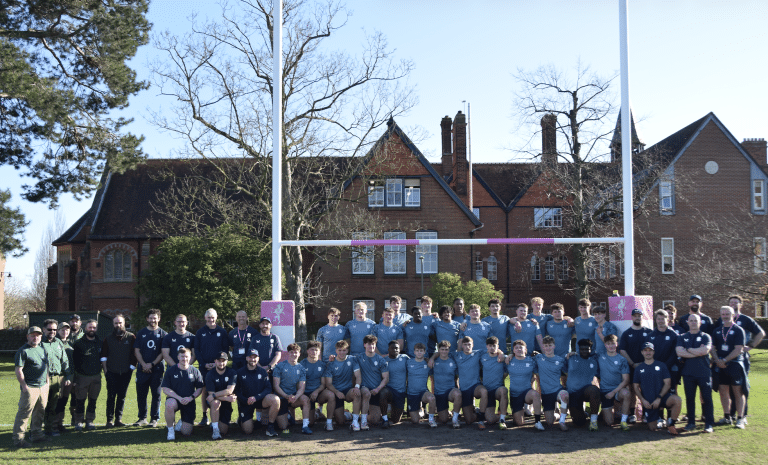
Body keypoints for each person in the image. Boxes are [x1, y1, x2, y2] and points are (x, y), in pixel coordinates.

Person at [719, 295, 764, 423]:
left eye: (736, 302)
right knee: (727, 388)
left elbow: (761, 333)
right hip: (725, 359)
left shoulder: (745, 319)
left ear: (741, 305)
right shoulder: (722, 319)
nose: (733, 304)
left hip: (740, 359)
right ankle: (730, 415)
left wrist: (750, 346)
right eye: (731, 302)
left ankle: (742, 416)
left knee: (740, 387)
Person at [675, 313, 715, 433]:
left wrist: (688, 349)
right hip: (688, 373)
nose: (693, 323)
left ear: (700, 323)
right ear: (687, 322)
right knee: (690, 399)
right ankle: (691, 423)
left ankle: (709, 424)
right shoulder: (682, 337)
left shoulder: (706, 336)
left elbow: (705, 350)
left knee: (707, 398)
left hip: (704, 373)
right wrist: (697, 352)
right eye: (691, 321)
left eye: (695, 321)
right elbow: (679, 352)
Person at [634, 342, 682, 435]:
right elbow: (635, 387)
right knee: (653, 428)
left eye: (650, 350)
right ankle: (657, 419)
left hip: (662, 398)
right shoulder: (638, 368)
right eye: (645, 350)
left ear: (653, 352)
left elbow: (667, 383)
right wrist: (643, 400)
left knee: (677, 400)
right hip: (649, 402)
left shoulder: (661, 365)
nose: (648, 352)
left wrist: (659, 398)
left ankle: (671, 424)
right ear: (642, 352)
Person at [13, 326, 50, 447]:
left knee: (40, 412)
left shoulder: (41, 349)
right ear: (27, 337)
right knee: (24, 413)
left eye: (38, 335)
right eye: (33, 335)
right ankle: (18, 439)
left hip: (43, 387)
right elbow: (19, 370)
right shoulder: (23, 351)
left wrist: (47, 383)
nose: (35, 338)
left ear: (41, 337)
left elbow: (46, 367)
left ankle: (37, 435)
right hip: (30, 387)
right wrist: (24, 386)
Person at [711, 306, 747, 429]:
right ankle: (727, 417)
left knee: (738, 392)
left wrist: (725, 360)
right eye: (723, 314)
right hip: (720, 365)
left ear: (733, 315)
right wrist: (717, 360)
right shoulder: (717, 330)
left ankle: (740, 419)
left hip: (734, 364)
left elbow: (738, 349)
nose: (725, 316)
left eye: (727, 314)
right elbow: (712, 348)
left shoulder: (738, 330)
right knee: (723, 391)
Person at [195, 308, 230, 427]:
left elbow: (225, 349)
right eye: (209, 317)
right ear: (205, 318)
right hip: (204, 367)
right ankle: (205, 416)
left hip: (219, 366)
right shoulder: (200, 332)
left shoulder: (222, 331)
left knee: (219, 390)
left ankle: (218, 416)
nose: (211, 319)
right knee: (205, 390)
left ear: (216, 317)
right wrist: (203, 363)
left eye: (213, 317)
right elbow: (197, 350)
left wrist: (217, 363)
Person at [101, 313, 137, 428]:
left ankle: (118, 420)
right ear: (113, 324)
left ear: (124, 323)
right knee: (111, 396)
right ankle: (109, 420)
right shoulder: (108, 338)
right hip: (111, 372)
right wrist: (106, 371)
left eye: (120, 323)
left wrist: (131, 369)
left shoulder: (131, 337)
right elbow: (104, 356)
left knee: (122, 396)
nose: (118, 325)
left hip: (126, 372)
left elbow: (134, 354)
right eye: (116, 323)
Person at [133, 308, 167, 427]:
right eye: (151, 318)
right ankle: (142, 418)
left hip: (157, 369)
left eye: (155, 318)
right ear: (147, 319)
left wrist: (151, 364)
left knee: (156, 394)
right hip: (142, 369)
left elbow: (163, 353)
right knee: (141, 395)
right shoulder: (141, 333)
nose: (153, 320)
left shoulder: (163, 334)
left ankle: (154, 418)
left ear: (159, 319)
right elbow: (136, 350)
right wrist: (143, 364)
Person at [162, 348, 204, 440]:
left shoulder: (195, 371)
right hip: (175, 399)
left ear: (190, 357)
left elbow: (200, 388)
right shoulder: (170, 370)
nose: (184, 359)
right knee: (169, 404)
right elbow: (165, 389)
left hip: (189, 401)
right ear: (178, 357)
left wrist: (191, 397)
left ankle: (181, 422)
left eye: (186, 356)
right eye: (182, 356)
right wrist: (179, 398)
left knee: (186, 433)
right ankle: (170, 430)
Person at [236, 349, 280, 437]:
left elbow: (268, 388)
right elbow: (236, 391)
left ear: (258, 358)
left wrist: (256, 397)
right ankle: (242, 419)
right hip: (246, 402)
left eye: (255, 357)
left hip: (260, 400)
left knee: (275, 399)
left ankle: (270, 427)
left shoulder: (263, 371)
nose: (253, 359)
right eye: (250, 357)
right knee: (248, 431)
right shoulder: (239, 372)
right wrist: (245, 400)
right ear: (246, 358)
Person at [323, 340, 363, 431]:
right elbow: (328, 384)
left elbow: (358, 376)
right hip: (336, 391)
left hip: (347, 390)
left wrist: (357, 387)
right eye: (339, 350)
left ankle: (355, 422)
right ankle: (347, 414)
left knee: (356, 393)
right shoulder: (331, 364)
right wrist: (337, 392)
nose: (342, 352)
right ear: (336, 351)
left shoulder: (352, 359)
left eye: (344, 350)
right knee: (340, 422)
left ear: (347, 350)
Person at [273, 343, 312, 434]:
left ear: (299, 354)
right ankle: (287, 416)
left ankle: (305, 426)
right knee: (283, 427)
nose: (294, 354)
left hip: (293, 398)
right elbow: (276, 386)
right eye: (291, 352)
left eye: (296, 352)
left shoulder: (301, 368)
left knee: (305, 399)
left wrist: (295, 396)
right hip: (281, 398)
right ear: (288, 353)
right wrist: (286, 396)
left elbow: (302, 388)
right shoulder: (280, 366)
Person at [41, 319, 71, 437]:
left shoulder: (58, 342)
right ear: (44, 330)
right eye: (50, 329)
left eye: (54, 329)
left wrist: (67, 375)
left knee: (53, 405)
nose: (52, 331)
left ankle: (49, 429)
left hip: (56, 378)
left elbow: (65, 360)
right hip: (42, 379)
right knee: (40, 406)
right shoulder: (39, 342)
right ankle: (35, 430)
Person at [618, 308, 649, 423]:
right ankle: (632, 414)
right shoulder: (627, 333)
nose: (637, 317)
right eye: (635, 316)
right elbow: (622, 350)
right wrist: (632, 363)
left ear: (642, 317)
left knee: (645, 390)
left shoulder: (649, 332)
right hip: (631, 366)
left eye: (639, 316)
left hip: (646, 366)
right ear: (632, 317)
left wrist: (644, 363)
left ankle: (646, 414)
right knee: (631, 390)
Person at [506, 339, 544, 430]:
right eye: (516, 348)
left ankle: (537, 422)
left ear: (525, 350)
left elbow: (538, 375)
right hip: (514, 394)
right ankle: (520, 411)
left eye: (521, 347)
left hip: (527, 392)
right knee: (519, 423)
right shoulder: (508, 361)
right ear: (513, 350)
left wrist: (539, 388)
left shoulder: (531, 361)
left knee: (535, 395)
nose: (519, 349)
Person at [564, 339, 601, 431]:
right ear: (578, 349)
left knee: (594, 390)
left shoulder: (594, 361)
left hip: (586, 391)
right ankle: (583, 413)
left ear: (590, 350)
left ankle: (593, 421)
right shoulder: (571, 358)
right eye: (582, 349)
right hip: (573, 393)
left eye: (587, 349)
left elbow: (600, 375)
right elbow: (561, 368)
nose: (584, 351)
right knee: (579, 422)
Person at [72, 319, 102, 431]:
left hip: (96, 377)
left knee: (93, 401)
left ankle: (90, 421)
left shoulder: (100, 343)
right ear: (85, 328)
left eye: (94, 327)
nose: (92, 329)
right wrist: (74, 378)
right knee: (80, 401)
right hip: (81, 377)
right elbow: (74, 362)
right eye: (90, 327)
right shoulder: (78, 344)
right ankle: (78, 421)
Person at [533, 336, 569, 431]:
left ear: (554, 346)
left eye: (550, 345)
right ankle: (557, 415)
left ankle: (562, 421)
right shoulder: (538, 358)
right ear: (543, 347)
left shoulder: (560, 360)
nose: (548, 348)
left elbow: (568, 373)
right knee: (549, 422)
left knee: (565, 395)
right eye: (546, 346)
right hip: (546, 393)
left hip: (557, 390)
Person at [596, 334, 631, 430]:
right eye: (608, 344)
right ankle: (606, 410)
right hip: (605, 391)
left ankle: (623, 421)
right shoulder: (600, 356)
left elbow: (626, 380)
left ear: (617, 344)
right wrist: (572, 353)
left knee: (626, 393)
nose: (611, 346)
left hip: (617, 391)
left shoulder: (622, 360)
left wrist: (614, 392)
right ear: (605, 345)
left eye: (613, 343)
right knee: (609, 422)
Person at [357, 335, 390, 429]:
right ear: (364, 345)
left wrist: (377, 389)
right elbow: (343, 358)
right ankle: (363, 421)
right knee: (366, 393)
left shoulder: (381, 360)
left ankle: (356, 415)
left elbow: (386, 378)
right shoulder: (358, 358)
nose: (371, 346)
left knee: (374, 420)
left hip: (375, 391)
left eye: (373, 344)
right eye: (369, 344)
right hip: (364, 389)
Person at [300, 341, 335, 429]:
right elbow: (299, 384)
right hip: (306, 394)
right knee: (310, 423)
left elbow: (323, 384)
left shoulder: (322, 365)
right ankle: (316, 413)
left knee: (331, 395)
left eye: (316, 350)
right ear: (307, 351)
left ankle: (329, 423)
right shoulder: (302, 364)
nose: (314, 352)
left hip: (318, 393)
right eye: (312, 349)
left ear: (319, 352)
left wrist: (316, 391)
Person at [647, 309, 680, 399]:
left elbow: (675, 353)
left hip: (670, 369)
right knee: (656, 393)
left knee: (672, 394)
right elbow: (648, 353)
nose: (660, 321)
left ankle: (672, 409)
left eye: (663, 319)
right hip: (654, 368)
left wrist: (665, 366)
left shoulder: (674, 335)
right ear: (655, 320)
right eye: (659, 319)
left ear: (667, 319)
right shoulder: (651, 335)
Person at [205, 352, 237, 439]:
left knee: (223, 430)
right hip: (214, 401)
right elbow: (211, 395)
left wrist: (215, 395)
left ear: (227, 361)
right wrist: (227, 398)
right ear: (215, 361)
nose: (221, 363)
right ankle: (215, 430)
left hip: (225, 403)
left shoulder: (232, 372)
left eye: (223, 361)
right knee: (215, 402)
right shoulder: (210, 374)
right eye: (219, 360)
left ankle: (215, 422)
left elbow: (229, 390)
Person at [431, 340, 462, 427]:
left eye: (446, 349)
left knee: (458, 394)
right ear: (438, 350)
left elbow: (456, 378)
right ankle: (445, 412)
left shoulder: (453, 362)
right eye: (442, 349)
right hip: (439, 393)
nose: (444, 351)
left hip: (450, 391)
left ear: (449, 350)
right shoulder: (434, 362)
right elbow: (432, 379)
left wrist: (457, 389)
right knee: (444, 419)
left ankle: (455, 419)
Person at [479, 336, 509, 428]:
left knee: (503, 390)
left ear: (498, 346)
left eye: (494, 346)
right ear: (487, 346)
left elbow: (508, 369)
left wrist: (506, 355)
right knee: (490, 420)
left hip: (498, 389)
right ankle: (498, 416)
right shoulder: (482, 357)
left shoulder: (503, 358)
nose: (492, 348)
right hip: (487, 391)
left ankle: (502, 419)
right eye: (490, 346)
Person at [405, 343, 437, 427]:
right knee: (415, 421)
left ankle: (431, 420)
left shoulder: (428, 363)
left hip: (423, 392)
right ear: (414, 352)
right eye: (417, 351)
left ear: (424, 352)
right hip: (412, 393)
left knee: (432, 398)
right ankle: (420, 409)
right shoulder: (408, 362)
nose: (419, 352)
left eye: (421, 351)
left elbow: (433, 378)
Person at [52, 322, 75, 434]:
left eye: (67, 330)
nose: (65, 332)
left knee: (63, 401)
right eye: (62, 329)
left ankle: (60, 423)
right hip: (59, 376)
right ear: (58, 330)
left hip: (69, 377)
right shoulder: (54, 343)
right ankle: (53, 425)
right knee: (57, 401)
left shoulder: (70, 343)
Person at [381, 340, 408, 427]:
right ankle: (385, 418)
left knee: (396, 420)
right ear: (388, 349)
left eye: (397, 348)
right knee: (383, 392)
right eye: (392, 348)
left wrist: (427, 359)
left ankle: (391, 409)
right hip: (389, 390)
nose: (395, 350)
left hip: (400, 392)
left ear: (399, 349)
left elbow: (415, 363)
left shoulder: (405, 358)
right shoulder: (384, 361)